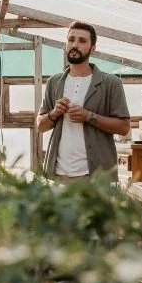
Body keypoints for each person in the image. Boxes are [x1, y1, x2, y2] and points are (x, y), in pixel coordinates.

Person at [36, 22, 131, 181]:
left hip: (95, 177)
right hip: (58, 175)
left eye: (82, 41)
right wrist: (54, 113)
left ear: (93, 48)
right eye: (71, 39)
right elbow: (40, 126)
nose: (75, 45)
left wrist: (89, 116)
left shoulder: (111, 83)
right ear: (65, 45)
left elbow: (124, 127)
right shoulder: (54, 82)